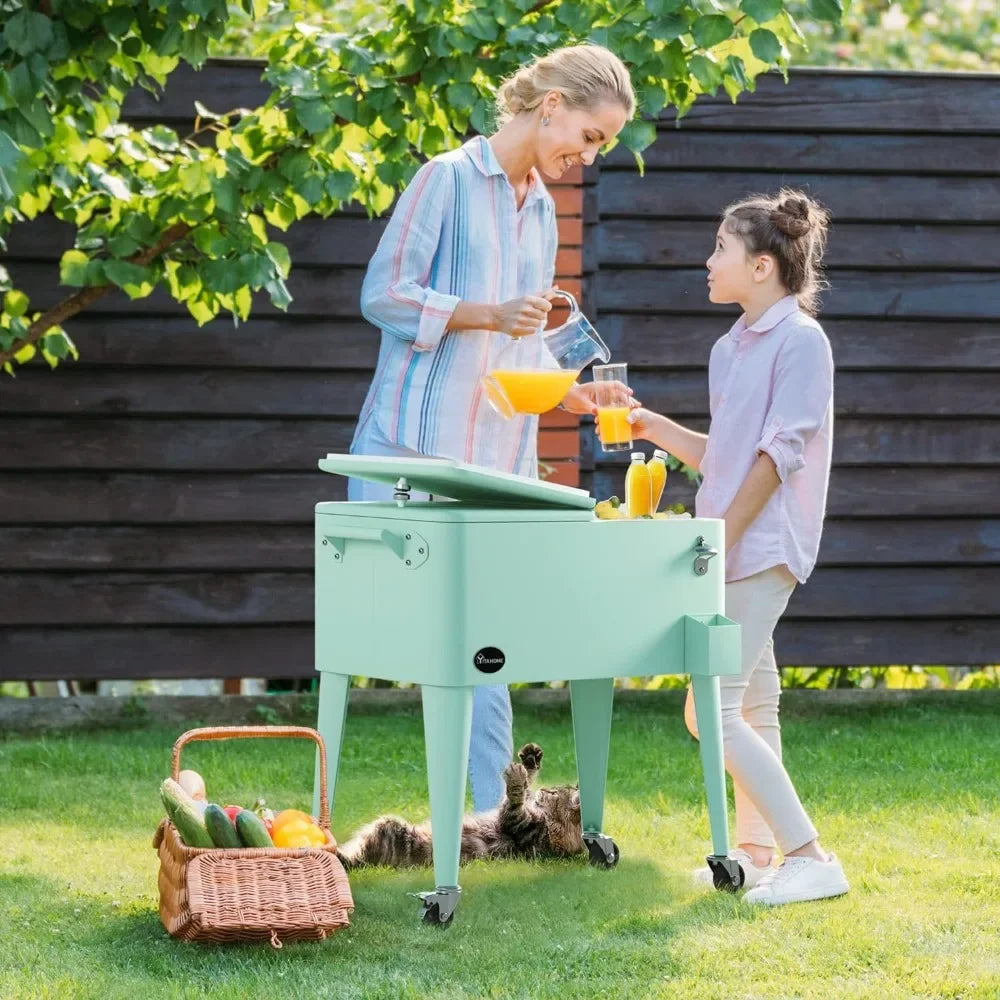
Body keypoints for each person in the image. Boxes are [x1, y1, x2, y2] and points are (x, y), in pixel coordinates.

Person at [349, 44, 635, 812]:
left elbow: (523, 345)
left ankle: (495, 814)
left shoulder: (540, 208)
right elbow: (385, 295)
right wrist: (484, 314)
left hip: (495, 461)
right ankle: (345, 809)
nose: (589, 154)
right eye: (590, 135)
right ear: (552, 107)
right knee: (383, 635)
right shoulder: (445, 179)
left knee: (488, 644)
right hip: (410, 453)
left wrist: (578, 398)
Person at [620, 189, 850, 905]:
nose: (707, 261)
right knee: (754, 708)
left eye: (720, 248)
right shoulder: (730, 348)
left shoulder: (802, 341)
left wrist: (722, 536)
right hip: (733, 543)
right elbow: (724, 454)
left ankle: (811, 856)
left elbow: (778, 456)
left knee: (709, 709)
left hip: (761, 546)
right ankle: (753, 852)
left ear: (760, 265)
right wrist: (645, 424)